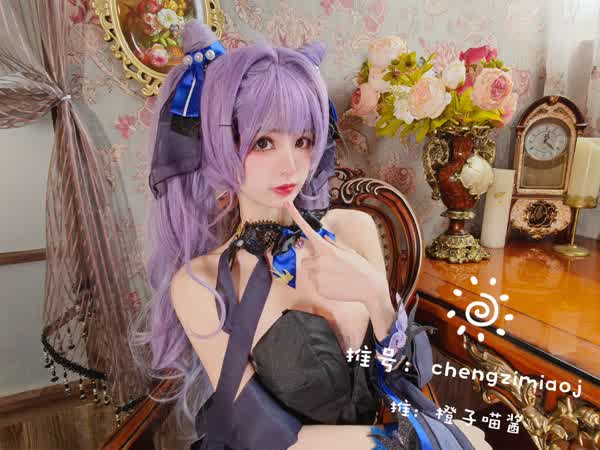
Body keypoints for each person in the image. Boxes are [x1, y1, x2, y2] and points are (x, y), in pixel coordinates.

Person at [131, 18, 491, 450]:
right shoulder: (199, 283)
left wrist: (376, 295)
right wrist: (415, 442)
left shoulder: (354, 229)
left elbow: (402, 380)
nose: (290, 165)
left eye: (303, 140)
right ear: (220, 145)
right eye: (263, 142)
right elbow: (266, 435)